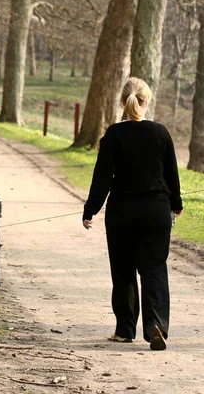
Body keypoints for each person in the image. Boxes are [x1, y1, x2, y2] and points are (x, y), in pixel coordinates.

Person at [82, 76, 183, 351]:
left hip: (123, 213)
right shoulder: (161, 132)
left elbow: (102, 176)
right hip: (156, 211)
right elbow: (171, 174)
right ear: (146, 101)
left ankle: (125, 330)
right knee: (154, 270)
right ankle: (156, 326)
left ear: (121, 102)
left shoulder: (113, 134)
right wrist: (176, 204)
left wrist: (91, 209)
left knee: (124, 270)